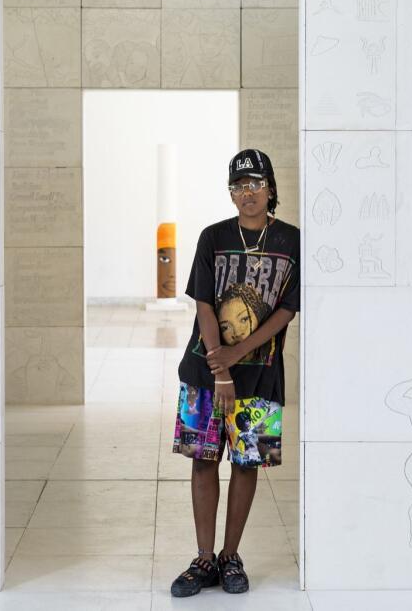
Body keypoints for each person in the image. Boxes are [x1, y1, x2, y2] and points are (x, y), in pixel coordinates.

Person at [169, 148, 300, 597]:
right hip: (204, 374)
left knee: (248, 464)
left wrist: (238, 352)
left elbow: (286, 309)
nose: (248, 194)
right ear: (231, 193)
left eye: (256, 185)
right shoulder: (212, 237)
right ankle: (203, 559)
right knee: (203, 459)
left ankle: (230, 556)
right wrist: (218, 364)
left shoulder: (292, 241)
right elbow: (204, 301)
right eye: (239, 187)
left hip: (260, 374)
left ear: (271, 189)